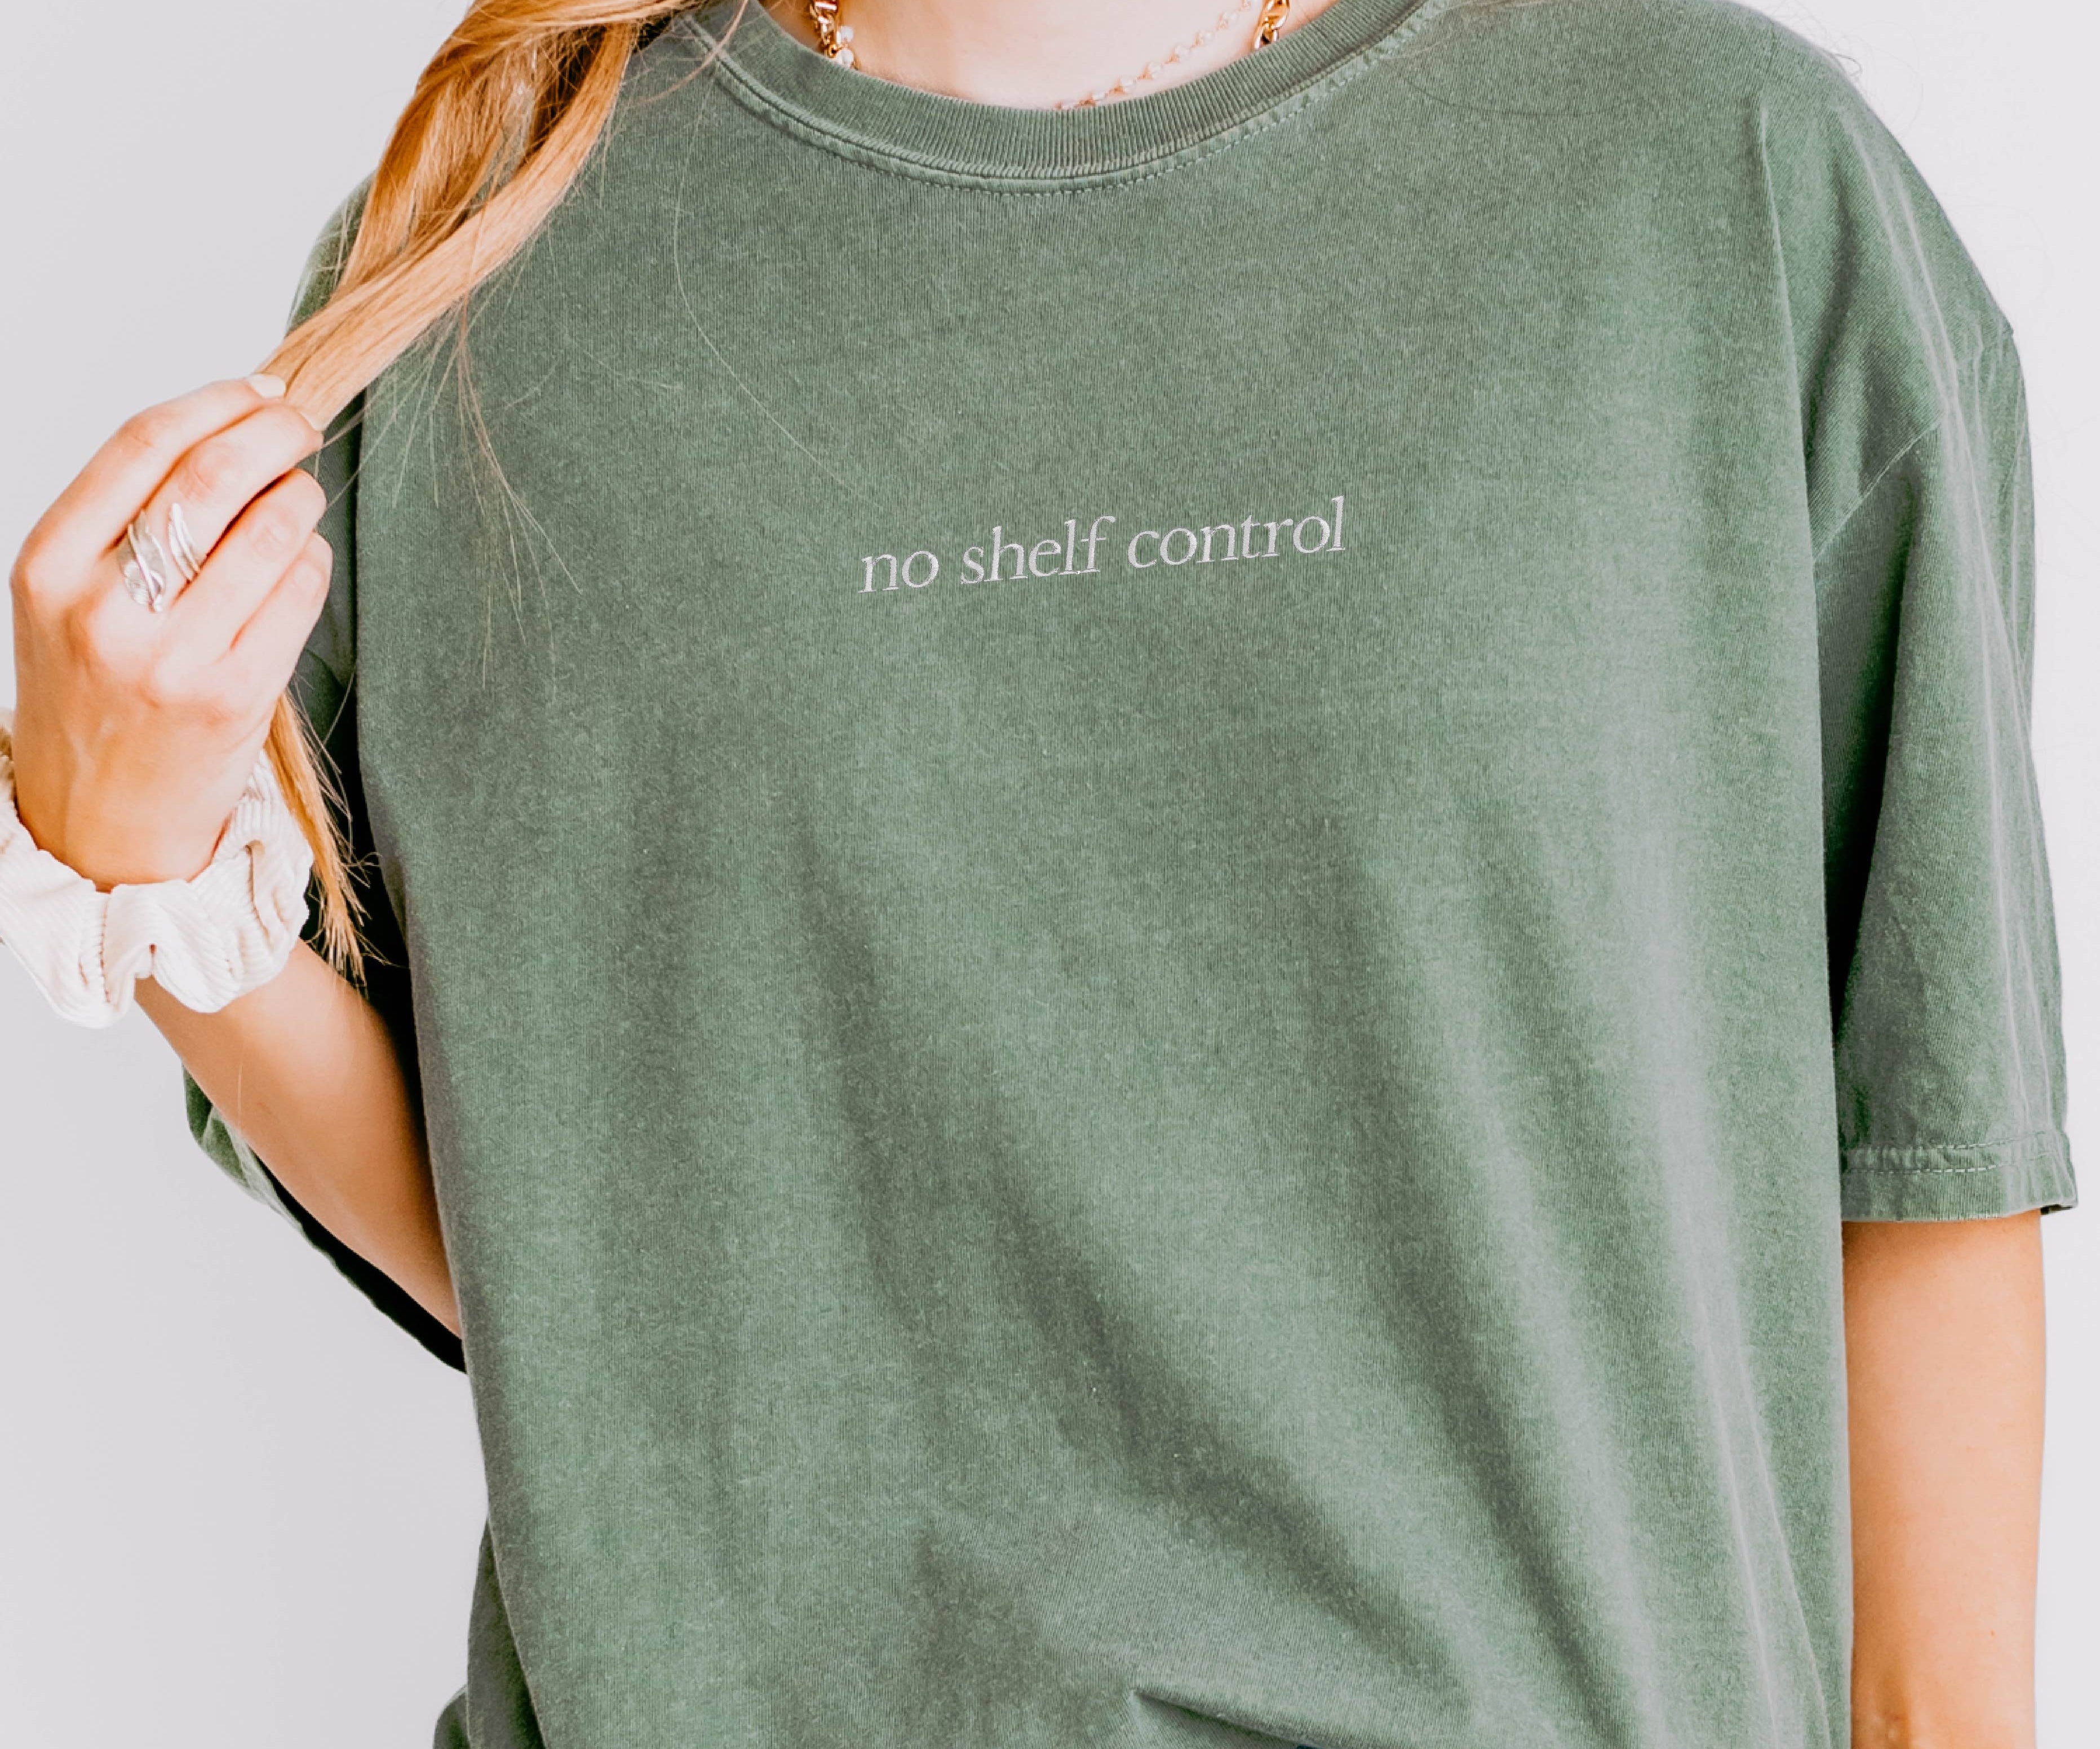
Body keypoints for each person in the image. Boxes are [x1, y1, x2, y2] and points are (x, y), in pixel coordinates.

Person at [0, 0, 2076, 1744]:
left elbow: (1928, 1141)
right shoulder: (484, 264)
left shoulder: (1713, 176)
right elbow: (600, 1282)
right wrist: (141, 875)